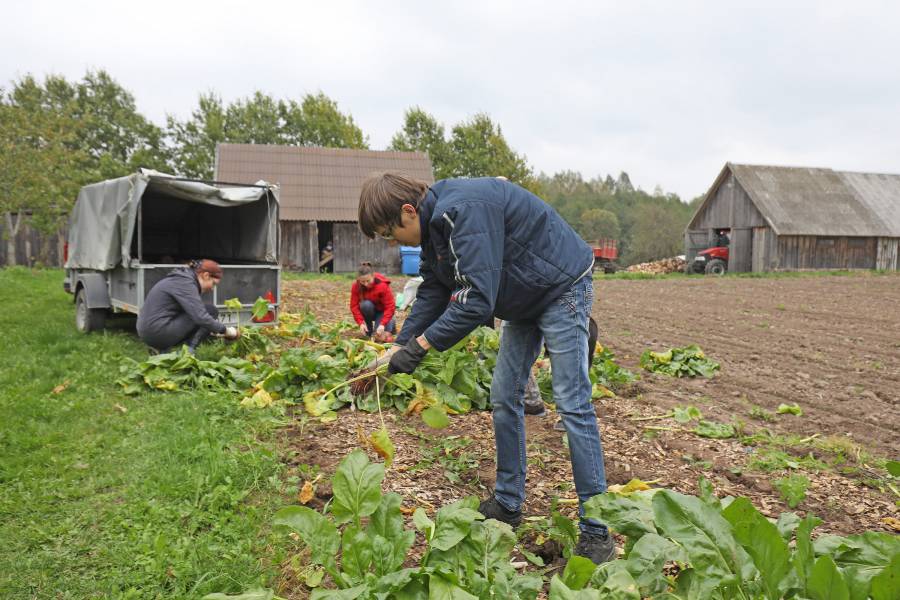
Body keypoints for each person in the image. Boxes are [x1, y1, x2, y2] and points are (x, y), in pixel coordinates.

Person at [358, 172, 615, 565]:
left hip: (561, 284)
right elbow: (434, 289)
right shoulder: (434, 227)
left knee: (571, 402)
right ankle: (509, 504)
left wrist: (420, 349)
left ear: (408, 212)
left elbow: (475, 300)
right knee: (503, 397)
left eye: (390, 233)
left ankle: (597, 530)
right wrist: (398, 345)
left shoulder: (463, 211)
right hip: (522, 295)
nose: (393, 244)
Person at [136, 259, 239, 353]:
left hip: (149, 330)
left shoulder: (182, 278)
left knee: (201, 313)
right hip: (156, 332)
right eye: (213, 284)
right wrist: (227, 331)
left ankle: (161, 351)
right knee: (210, 311)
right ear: (206, 275)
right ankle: (187, 354)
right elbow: (201, 317)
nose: (212, 289)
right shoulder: (186, 284)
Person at [350, 261, 397, 339]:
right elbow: (354, 306)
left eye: (368, 281)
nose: (365, 284)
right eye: (362, 281)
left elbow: (390, 306)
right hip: (369, 311)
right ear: (358, 279)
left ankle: (391, 322)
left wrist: (382, 324)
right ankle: (368, 329)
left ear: (373, 276)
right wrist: (361, 323)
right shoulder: (356, 286)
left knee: (379, 337)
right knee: (365, 305)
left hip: (382, 312)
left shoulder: (382, 286)